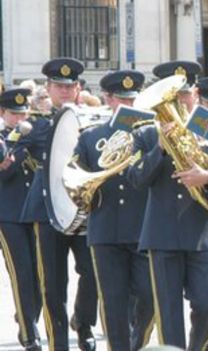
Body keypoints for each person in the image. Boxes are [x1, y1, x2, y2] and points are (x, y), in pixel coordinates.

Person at [127, 81, 208, 350]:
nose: (179, 101)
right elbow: (136, 177)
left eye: (183, 94)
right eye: (174, 96)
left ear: (194, 95)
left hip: (202, 234)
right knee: (168, 314)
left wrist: (207, 176)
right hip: (163, 234)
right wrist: (159, 149)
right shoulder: (146, 134)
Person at [17, 57, 98, 351]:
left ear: (78, 89)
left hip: (83, 210)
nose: (64, 91)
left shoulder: (91, 123)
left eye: (70, 86)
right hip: (46, 211)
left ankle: (84, 322)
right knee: (52, 285)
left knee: (92, 273)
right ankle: (57, 343)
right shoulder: (35, 125)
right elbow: (10, 144)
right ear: (48, 89)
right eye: (58, 86)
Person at [72, 70, 154, 351]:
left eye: (133, 99)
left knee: (148, 296)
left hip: (143, 227)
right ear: (108, 99)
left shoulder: (151, 135)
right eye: (122, 99)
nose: (128, 106)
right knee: (113, 300)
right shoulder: (91, 136)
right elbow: (76, 178)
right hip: (105, 228)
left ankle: (137, 344)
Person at [0, 88, 42, 350]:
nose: (21, 118)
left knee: (41, 276)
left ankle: (29, 317)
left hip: (37, 212)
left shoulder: (36, 135)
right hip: (9, 215)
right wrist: (19, 143)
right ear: (3, 114)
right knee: (22, 275)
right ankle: (29, 334)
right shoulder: (4, 139)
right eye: (15, 114)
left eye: (23, 112)